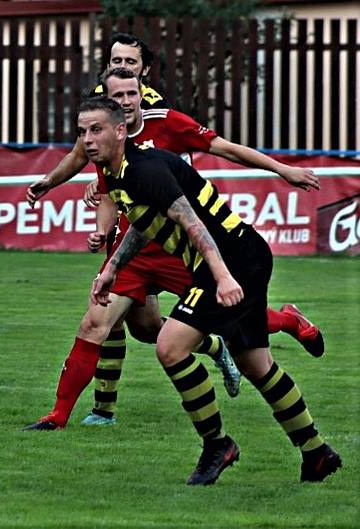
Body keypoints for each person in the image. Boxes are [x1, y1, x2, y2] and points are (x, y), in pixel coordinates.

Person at [23, 68, 323, 431]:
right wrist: (89, 220)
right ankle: (66, 416)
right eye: (117, 95)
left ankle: (284, 324)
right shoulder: (97, 135)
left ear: (142, 90)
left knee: (219, 319)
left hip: (184, 248)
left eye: (132, 93)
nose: (126, 101)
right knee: (113, 325)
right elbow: (107, 189)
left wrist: (280, 169)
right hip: (135, 246)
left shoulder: (164, 126)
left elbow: (223, 150)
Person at [83, 95, 340, 484]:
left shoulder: (143, 170)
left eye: (96, 130)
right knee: (257, 365)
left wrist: (221, 276)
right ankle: (317, 452)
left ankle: (217, 445)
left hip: (233, 260)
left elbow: (193, 224)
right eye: (82, 131)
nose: (87, 139)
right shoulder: (122, 173)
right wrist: (113, 269)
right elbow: (144, 222)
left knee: (170, 347)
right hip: (240, 256)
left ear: (120, 132)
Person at [90, 32, 167, 109]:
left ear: (145, 69)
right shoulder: (97, 95)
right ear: (108, 66)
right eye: (117, 61)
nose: (122, 66)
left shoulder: (154, 103)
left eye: (130, 62)